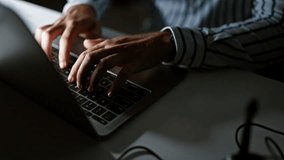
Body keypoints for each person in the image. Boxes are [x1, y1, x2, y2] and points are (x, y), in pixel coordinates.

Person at [35, 0, 284, 97]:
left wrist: (170, 42)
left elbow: (277, 26)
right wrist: (84, 5)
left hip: (238, 78)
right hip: (152, 63)